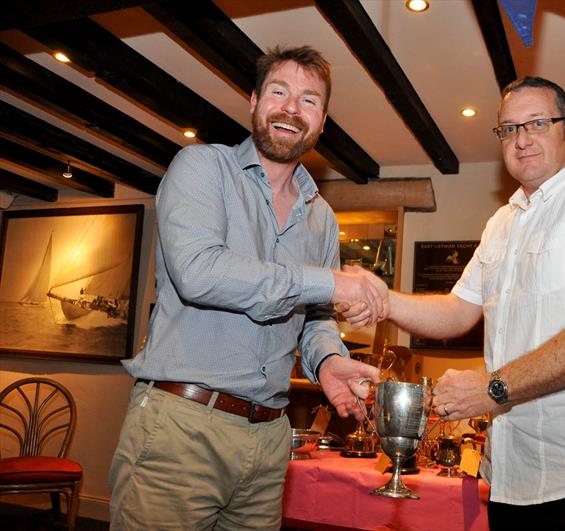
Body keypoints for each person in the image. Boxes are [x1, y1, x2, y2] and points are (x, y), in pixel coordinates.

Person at [344, 76, 565, 530]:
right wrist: (385, 301)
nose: (522, 138)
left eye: (537, 122)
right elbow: (458, 311)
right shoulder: (501, 223)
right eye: (509, 128)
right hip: (511, 480)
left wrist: (493, 388)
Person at [108, 45, 382, 530]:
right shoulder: (201, 167)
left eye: (309, 100)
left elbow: (315, 316)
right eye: (279, 92)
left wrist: (329, 361)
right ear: (253, 101)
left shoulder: (321, 218)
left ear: (321, 124)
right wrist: (331, 281)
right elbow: (199, 272)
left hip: (271, 438)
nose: (292, 109)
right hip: (181, 426)